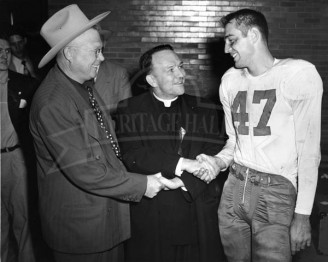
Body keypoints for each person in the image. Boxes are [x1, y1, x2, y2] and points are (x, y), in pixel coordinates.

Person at [29, 5, 169, 262]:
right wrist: (143, 184)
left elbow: (106, 145)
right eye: (96, 51)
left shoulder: (80, 85)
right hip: (81, 230)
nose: (102, 58)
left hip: (105, 220)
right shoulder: (53, 102)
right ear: (69, 53)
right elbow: (84, 171)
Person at [193, 8, 323, 262]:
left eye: (232, 40)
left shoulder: (297, 74)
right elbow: (234, 142)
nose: (226, 49)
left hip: (276, 192)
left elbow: (309, 152)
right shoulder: (230, 80)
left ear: (253, 34)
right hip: (233, 188)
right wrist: (218, 161)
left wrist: (302, 216)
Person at [115, 44, 225, 262]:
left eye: (180, 66)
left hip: (197, 214)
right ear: (152, 81)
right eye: (170, 70)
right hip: (153, 218)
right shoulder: (129, 109)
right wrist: (183, 164)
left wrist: (183, 182)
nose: (181, 74)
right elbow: (133, 156)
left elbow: (215, 153)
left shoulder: (205, 108)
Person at [1, 33, 39, 262]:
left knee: (23, 219)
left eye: (6, 50)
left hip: (15, 158)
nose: (3, 55)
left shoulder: (24, 84)